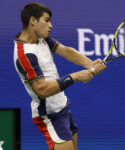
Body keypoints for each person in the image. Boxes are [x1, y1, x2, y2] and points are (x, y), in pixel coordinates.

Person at [13, 2, 106, 150]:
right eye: (47, 20)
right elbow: (42, 90)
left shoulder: (41, 38)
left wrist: (90, 64)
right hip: (49, 115)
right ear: (33, 21)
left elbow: (65, 50)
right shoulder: (24, 54)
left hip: (62, 106)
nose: (51, 25)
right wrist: (74, 76)